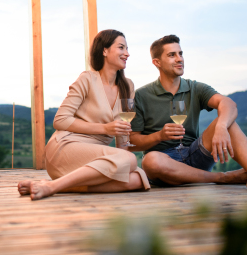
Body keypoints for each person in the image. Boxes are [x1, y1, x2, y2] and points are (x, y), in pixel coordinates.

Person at [129, 35, 247, 190]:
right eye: (172, 55)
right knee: (150, 161)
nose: (179, 59)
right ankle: (224, 177)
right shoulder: (141, 95)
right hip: (164, 163)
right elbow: (132, 142)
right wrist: (160, 136)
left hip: (195, 154)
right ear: (157, 62)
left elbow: (228, 104)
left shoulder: (196, 88)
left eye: (180, 53)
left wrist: (221, 127)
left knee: (227, 120)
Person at [18, 30, 150, 200]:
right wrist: (105, 128)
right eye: (121, 47)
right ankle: (52, 185)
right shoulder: (87, 79)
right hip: (67, 146)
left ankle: (55, 186)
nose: (127, 53)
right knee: (130, 160)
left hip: (96, 157)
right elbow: (60, 120)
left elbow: (122, 130)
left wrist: (123, 160)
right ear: (104, 50)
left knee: (137, 179)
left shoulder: (127, 85)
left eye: (127, 48)